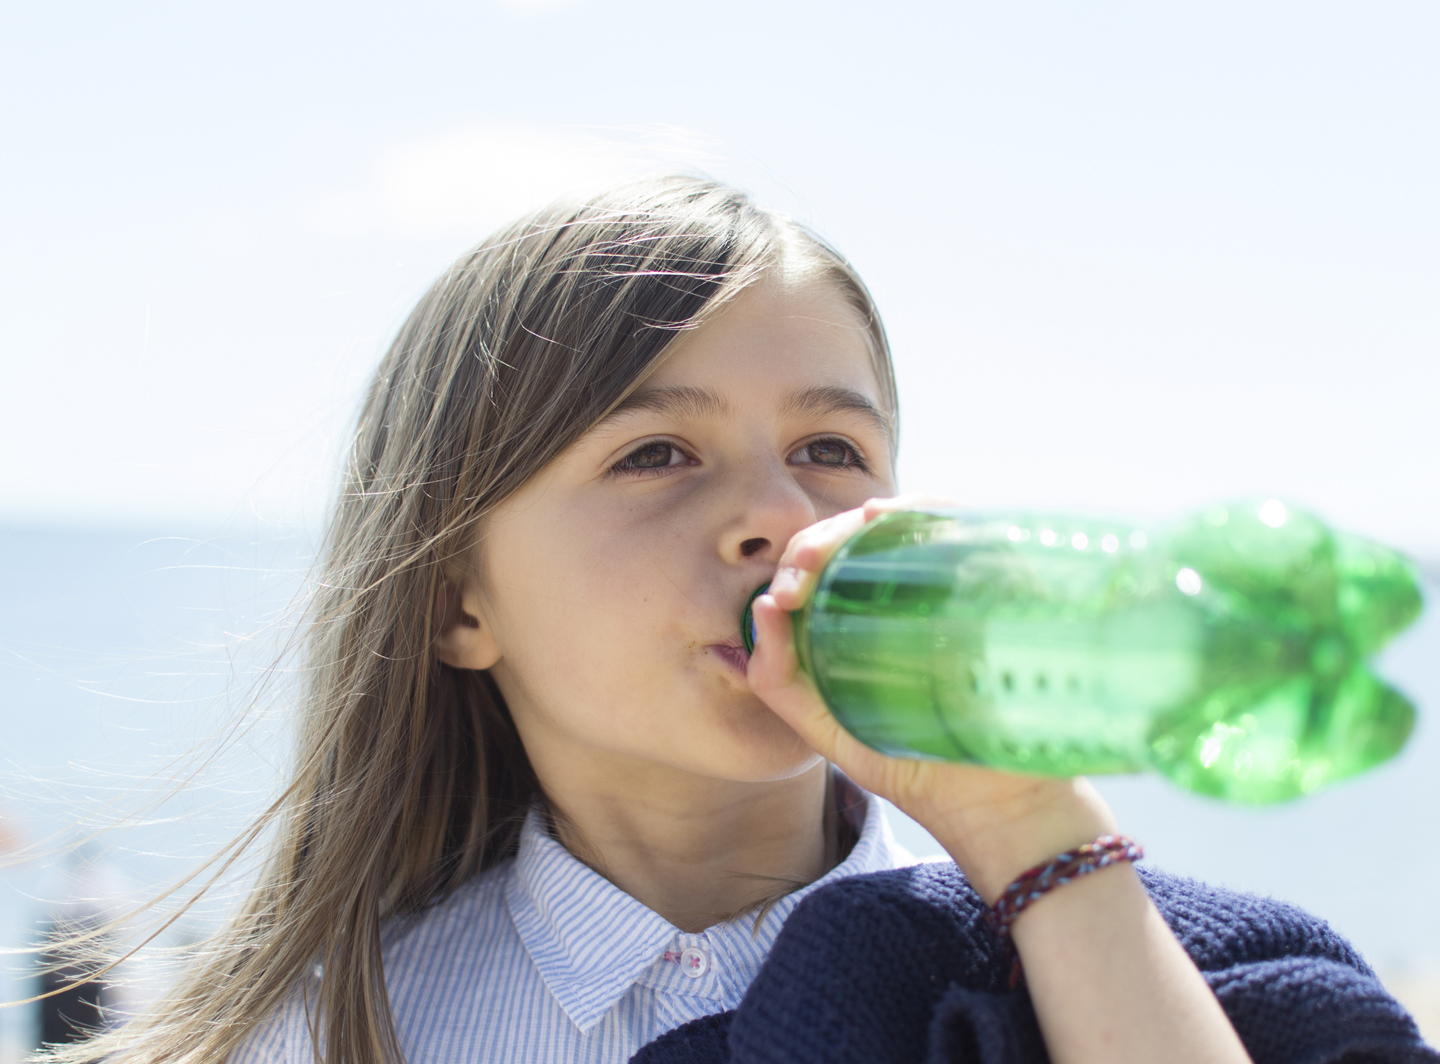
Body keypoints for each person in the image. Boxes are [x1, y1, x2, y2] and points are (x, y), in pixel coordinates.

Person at [46, 177, 1432, 1064]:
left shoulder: (1094, 947)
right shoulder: (320, 1035)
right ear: (457, 601)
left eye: (832, 449)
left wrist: (1030, 833)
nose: (780, 516)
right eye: (656, 454)